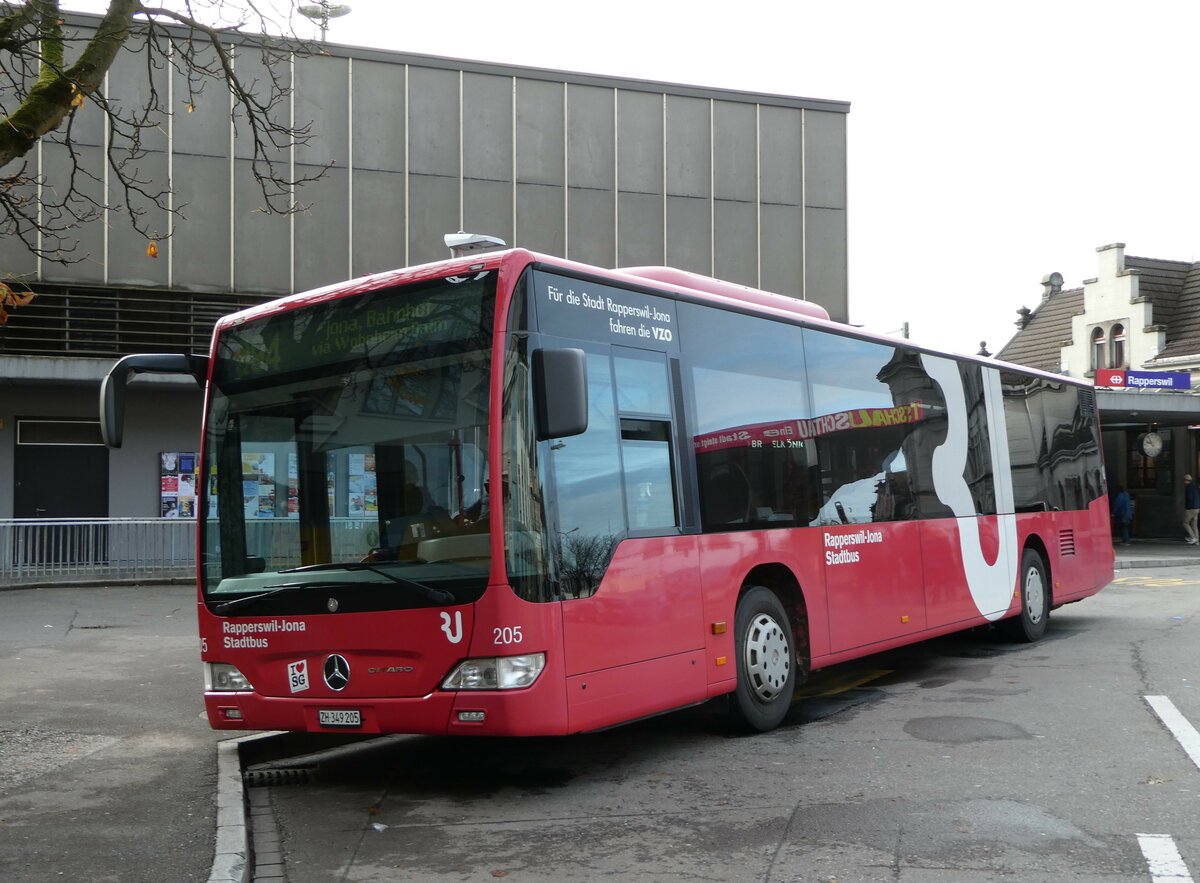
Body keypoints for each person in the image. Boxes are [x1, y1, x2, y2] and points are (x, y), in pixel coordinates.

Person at [1185, 475, 1200, 545]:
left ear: (1186, 480)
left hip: (1191, 508)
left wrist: (1187, 508)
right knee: (1194, 524)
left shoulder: (1188, 488)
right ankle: (1197, 541)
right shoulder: (1195, 487)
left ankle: (1193, 538)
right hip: (1197, 508)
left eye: (1184, 480)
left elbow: (1189, 499)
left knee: (1185, 523)